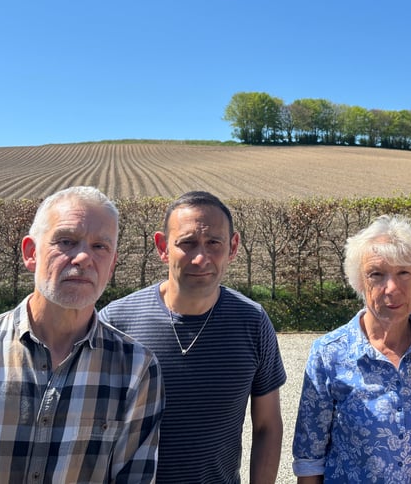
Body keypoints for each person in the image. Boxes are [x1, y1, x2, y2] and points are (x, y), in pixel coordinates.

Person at [0, 186, 165, 483]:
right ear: (31, 253)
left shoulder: (136, 368)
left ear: (111, 265)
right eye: (66, 241)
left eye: (100, 247)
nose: (84, 257)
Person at [100, 190, 286, 484]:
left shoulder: (252, 322)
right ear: (162, 247)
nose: (201, 258)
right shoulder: (117, 321)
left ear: (233, 247)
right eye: (187, 243)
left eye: (214, 243)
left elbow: (267, 426)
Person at [292, 215, 411, 484]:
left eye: (404, 273)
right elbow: (310, 457)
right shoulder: (329, 353)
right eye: (376, 274)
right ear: (359, 282)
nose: (391, 288)